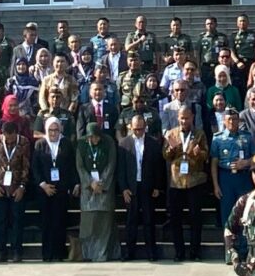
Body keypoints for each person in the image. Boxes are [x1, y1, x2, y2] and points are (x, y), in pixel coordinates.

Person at [163, 110, 211, 261]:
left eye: (187, 118)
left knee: (195, 218)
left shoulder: (199, 134)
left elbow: (206, 155)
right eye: (182, 118)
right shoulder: (172, 133)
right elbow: (165, 155)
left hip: (194, 180)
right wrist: (170, 149)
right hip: (176, 181)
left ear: (192, 118)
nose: (184, 121)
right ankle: (179, 252)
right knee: (175, 219)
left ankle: (195, 252)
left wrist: (198, 153)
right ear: (178, 118)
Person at [117, 109, 161, 260]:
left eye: (141, 129)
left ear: (145, 127)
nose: (138, 131)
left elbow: (157, 167)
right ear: (130, 127)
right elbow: (120, 169)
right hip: (132, 187)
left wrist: (156, 186)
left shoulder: (153, 143)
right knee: (131, 221)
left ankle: (151, 252)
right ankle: (129, 252)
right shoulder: (124, 144)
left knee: (149, 220)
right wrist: (123, 189)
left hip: (147, 187)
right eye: (135, 129)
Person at [0, 112, 31, 263]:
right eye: (6, 136)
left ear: (16, 133)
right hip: (0, 187)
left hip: (16, 187)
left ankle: (17, 251)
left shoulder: (24, 142)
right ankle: (1, 251)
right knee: (1, 221)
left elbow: (26, 166)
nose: (8, 140)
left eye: (11, 137)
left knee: (17, 220)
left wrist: (22, 186)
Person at [32, 114, 73, 261]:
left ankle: (59, 253)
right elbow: (35, 168)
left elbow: (70, 167)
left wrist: (66, 185)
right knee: (46, 223)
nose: (53, 133)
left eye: (56, 130)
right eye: (50, 130)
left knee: (60, 222)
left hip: (61, 190)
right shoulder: (40, 144)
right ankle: (47, 254)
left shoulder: (66, 143)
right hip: (44, 190)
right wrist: (43, 185)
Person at [77, 112, 116, 262]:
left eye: (94, 137)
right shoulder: (81, 144)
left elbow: (111, 165)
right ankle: (88, 254)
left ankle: (102, 254)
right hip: (88, 190)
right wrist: (90, 183)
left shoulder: (109, 142)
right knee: (89, 222)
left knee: (104, 223)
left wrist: (102, 183)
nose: (92, 140)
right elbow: (80, 166)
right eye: (89, 137)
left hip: (105, 188)